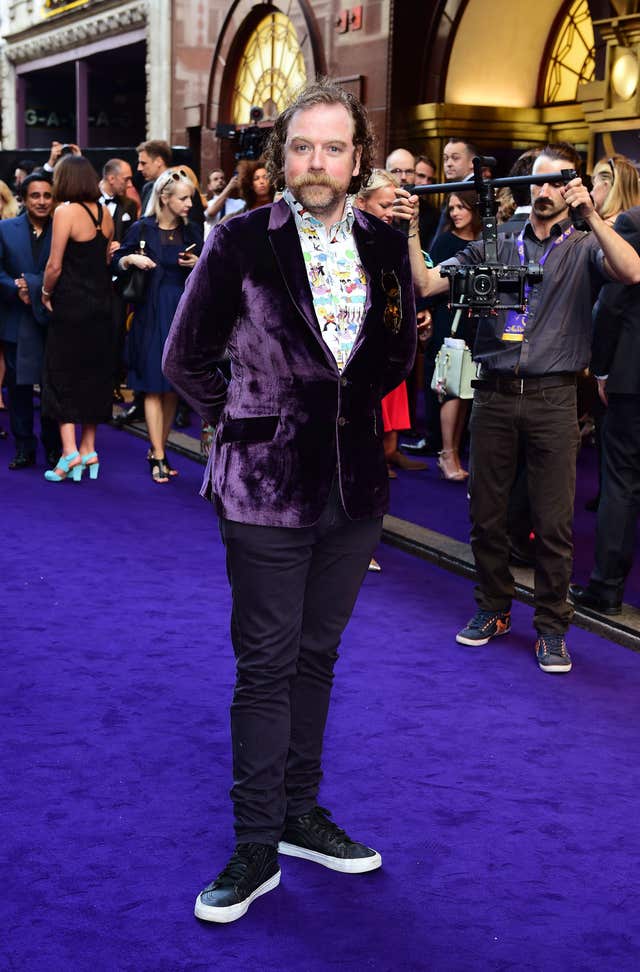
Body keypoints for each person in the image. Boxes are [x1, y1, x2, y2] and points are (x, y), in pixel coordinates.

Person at [163, 78, 416, 923]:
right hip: (263, 493)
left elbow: (391, 354)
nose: (317, 162)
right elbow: (184, 359)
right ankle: (255, 843)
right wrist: (246, 424)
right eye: (302, 146)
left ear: (357, 159)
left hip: (355, 489)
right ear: (282, 156)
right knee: (266, 666)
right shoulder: (239, 240)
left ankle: (303, 814)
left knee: (319, 657)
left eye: (334, 148)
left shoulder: (384, 242)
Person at [409, 142, 640, 674]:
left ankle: (554, 628)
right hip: (491, 394)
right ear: (523, 187)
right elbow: (424, 283)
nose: (544, 190)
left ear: (570, 188)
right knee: (486, 517)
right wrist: (411, 228)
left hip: (555, 398)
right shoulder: (498, 242)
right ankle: (492, 608)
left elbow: (630, 271)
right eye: (535, 182)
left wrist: (592, 214)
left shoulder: (584, 245)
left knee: (554, 522)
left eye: (557, 181)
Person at [569, 204, 640, 615]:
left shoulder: (632, 222)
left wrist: (600, 368)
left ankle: (606, 588)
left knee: (622, 482)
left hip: (631, 376)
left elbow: (612, 305)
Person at [113, 169, 202, 483]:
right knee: (152, 384)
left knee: (172, 387)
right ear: (165, 198)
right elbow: (117, 261)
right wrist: (131, 261)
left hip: (181, 314)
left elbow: (208, 266)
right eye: (183, 198)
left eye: (190, 197)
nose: (189, 203)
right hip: (150, 313)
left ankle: (158, 448)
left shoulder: (191, 231)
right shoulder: (141, 228)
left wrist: (198, 263)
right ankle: (159, 454)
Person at [40, 156, 114, 482]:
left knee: (60, 374)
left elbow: (54, 265)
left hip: (70, 306)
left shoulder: (64, 212)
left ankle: (69, 453)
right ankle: (89, 449)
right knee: (94, 375)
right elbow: (104, 260)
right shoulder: (105, 213)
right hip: (101, 307)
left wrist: (44, 292)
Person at [355, 168, 426, 475]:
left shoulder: (392, 238)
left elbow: (409, 281)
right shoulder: (349, 238)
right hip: (358, 334)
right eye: (383, 205)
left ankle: (389, 450)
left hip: (389, 328)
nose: (389, 213)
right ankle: (371, 456)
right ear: (361, 202)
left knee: (393, 393)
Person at [0, 171, 61, 469]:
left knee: (51, 387)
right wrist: (15, 287)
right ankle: (24, 446)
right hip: (15, 318)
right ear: (23, 199)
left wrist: (33, 284)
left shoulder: (63, 229)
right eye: (35, 195)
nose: (41, 201)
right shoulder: (4, 229)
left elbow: (69, 271)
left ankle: (54, 447)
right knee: (19, 389)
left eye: (47, 196)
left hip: (52, 320)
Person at [427, 191, 482, 480]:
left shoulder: (484, 241)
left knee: (466, 390)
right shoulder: (446, 241)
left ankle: (455, 452)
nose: (456, 213)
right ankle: (447, 453)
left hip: (476, 321)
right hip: (450, 318)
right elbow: (426, 279)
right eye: (452, 208)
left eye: (462, 206)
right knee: (451, 388)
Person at [136, 139, 172, 213]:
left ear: (158, 161)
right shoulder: (147, 188)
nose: (139, 168)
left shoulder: (180, 187)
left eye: (143, 163)